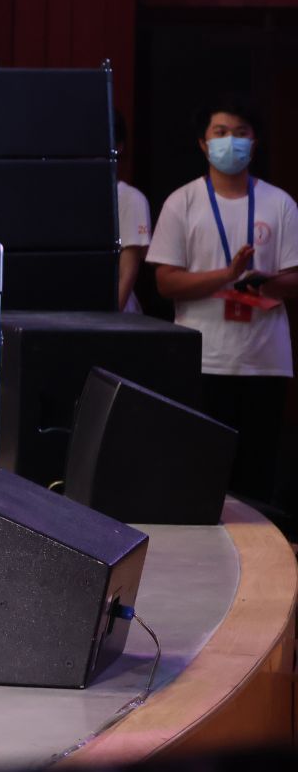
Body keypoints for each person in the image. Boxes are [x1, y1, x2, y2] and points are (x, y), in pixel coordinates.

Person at [149, 98, 296, 504]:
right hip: (203, 357)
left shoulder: (280, 203)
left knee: (257, 478)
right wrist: (227, 276)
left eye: (241, 133)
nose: (231, 141)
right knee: (201, 475)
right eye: (221, 132)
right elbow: (165, 283)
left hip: (264, 360)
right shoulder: (183, 202)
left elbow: (295, 278)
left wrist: (263, 283)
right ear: (203, 143)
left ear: (255, 142)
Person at [115, 110, 153, 313]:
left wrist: (104, 322)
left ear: (118, 146)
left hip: (113, 320)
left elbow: (126, 275)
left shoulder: (130, 198)